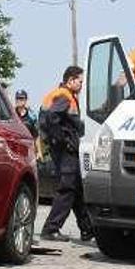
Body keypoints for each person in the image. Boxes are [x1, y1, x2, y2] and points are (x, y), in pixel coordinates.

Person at [39, 66, 93, 242]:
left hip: (64, 149)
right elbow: (53, 117)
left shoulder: (60, 94)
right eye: (80, 81)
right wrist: (63, 141)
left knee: (76, 188)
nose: (81, 85)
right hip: (66, 151)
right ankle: (51, 229)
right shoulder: (64, 95)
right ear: (71, 81)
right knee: (67, 188)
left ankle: (87, 229)